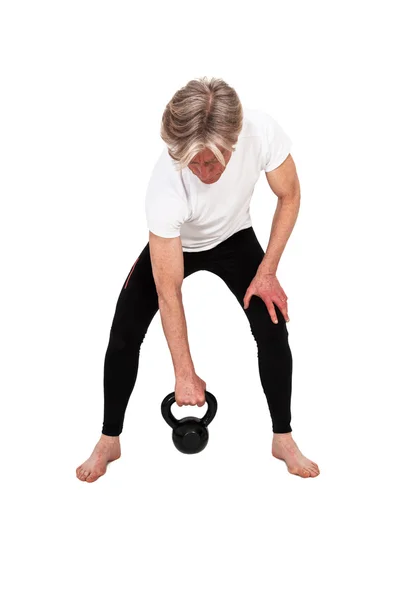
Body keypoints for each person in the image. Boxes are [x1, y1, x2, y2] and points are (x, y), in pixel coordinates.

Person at [76, 76, 320, 483]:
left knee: (273, 328)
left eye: (211, 161)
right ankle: (108, 440)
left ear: (234, 140)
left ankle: (283, 438)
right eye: (193, 162)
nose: (203, 171)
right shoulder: (165, 189)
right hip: (177, 245)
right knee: (123, 333)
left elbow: (290, 195)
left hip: (234, 237)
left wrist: (268, 271)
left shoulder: (259, 132)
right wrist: (184, 373)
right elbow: (169, 291)